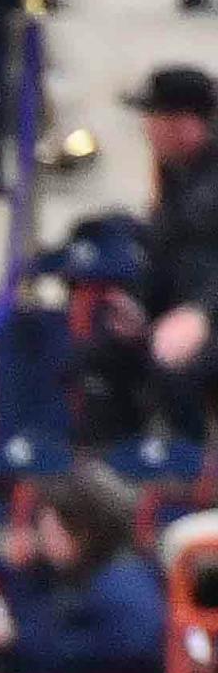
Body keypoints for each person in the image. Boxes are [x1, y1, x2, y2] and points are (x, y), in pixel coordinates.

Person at [0, 458, 169, 673]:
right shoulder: (53, 573)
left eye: (52, 533)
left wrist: (18, 641)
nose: (43, 541)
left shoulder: (123, 582)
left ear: (85, 531)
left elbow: (129, 652)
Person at [124, 64, 218, 434]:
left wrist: (202, 314)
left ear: (184, 123)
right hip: (182, 314)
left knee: (177, 367)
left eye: (154, 116)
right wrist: (139, 305)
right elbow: (166, 258)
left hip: (206, 315)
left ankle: (191, 477)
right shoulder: (176, 177)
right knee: (97, 357)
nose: (147, 128)